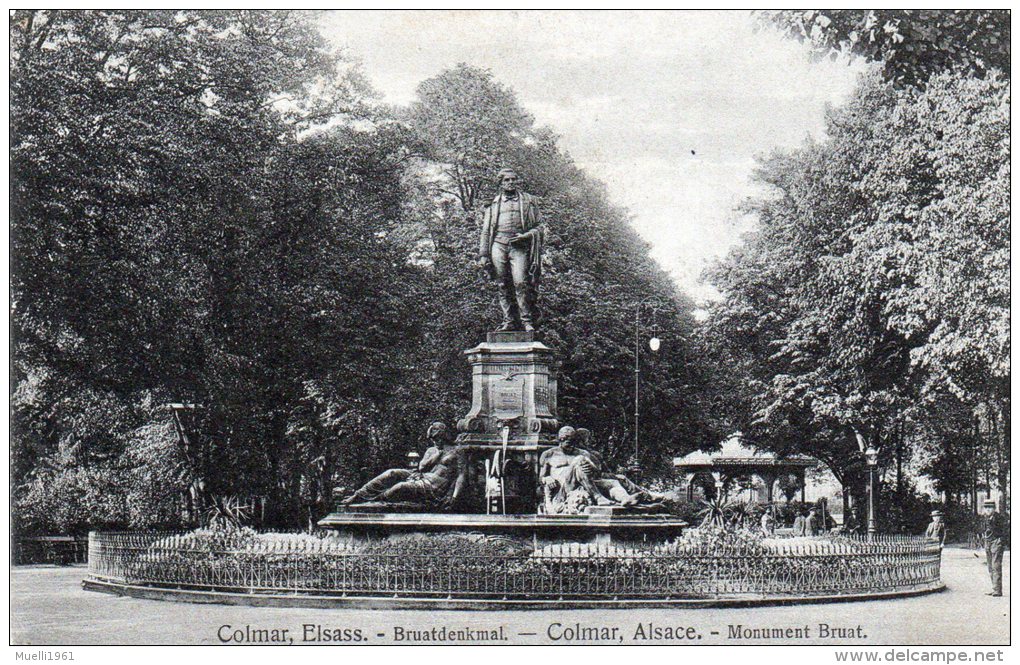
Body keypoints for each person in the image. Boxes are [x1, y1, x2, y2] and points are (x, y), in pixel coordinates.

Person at [477, 168, 544, 332]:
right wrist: (484, 254)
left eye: (513, 179)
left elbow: (540, 227)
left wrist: (526, 236)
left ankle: (526, 321)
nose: (511, 182)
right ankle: (508, 321)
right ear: (500, 183)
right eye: (506, 180)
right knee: (502, 284)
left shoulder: (528, 202)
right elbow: (486, 231)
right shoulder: (493, 205)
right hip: (498, 245)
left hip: (519, 246)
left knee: (520, 282)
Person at [342, 422, 466, 510]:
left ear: (444, 436)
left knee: (401, 486)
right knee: (391, 473)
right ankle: (358, 495)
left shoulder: (456, 451)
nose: (435, 441)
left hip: (435, 486)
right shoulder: (431, 450)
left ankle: (373, 500)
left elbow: (461, 475)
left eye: (437, 438)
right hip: (422, 476)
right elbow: (421, 467)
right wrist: (437, 455)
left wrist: (454, 497)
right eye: (433, 439)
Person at [982, 499, 1008, 597]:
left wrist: (1001, 541)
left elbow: (1005, 531)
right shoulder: (985, 518)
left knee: (996, 565)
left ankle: (998, 590)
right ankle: (994, 588)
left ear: (994, 508)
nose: (988, 510)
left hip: (997, 542)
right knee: (990, 566)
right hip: (988, 543)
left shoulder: (999, 518)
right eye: (986, 508)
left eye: (990, 507)